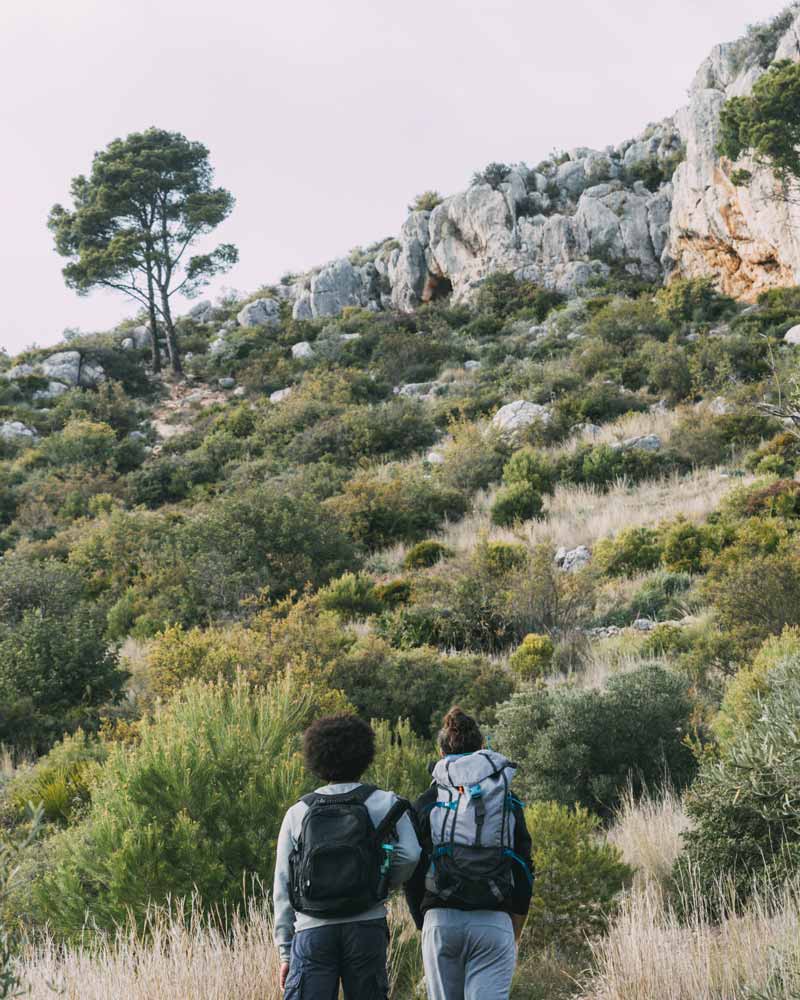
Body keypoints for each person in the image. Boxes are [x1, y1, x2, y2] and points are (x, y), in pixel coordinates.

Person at [273, 714, 421, 998]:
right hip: (366, 924)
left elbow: (282, 885)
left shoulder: (297, 812)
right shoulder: (385, 802)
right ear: (364, 755)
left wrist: (285, 950)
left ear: (316, 758)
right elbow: (411, 854)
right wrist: (382, 884)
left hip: (312, 931)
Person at [405, 706, 533, 1000]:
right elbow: (524, 867)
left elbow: (412, 865)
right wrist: (515, 926)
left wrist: (422, 920)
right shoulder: (505, 799)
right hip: (494, 920)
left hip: (440, 920)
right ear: (482, 751)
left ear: (442, 754)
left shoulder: (428, 801)